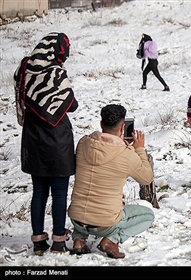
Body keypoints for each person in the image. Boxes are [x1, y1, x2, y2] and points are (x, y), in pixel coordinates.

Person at [13, 32, 78, 255]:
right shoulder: (56, 73)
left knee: (38, 191)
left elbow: (21, 99)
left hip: (32, 141)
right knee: (59, 194)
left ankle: (39, 241)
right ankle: (59, 240)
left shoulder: (24, 70)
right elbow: (72, 104)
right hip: (57, 141)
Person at [68, 104, 155, 259]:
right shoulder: (126, 154)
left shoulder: (83, 143)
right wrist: (139, 149)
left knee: (86, 204)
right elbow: (146, 177)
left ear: (101, 124)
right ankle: (111, 240)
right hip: (104, 224)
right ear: (123, 128)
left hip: (76, 217)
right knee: (148, 216)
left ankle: (79, 240)